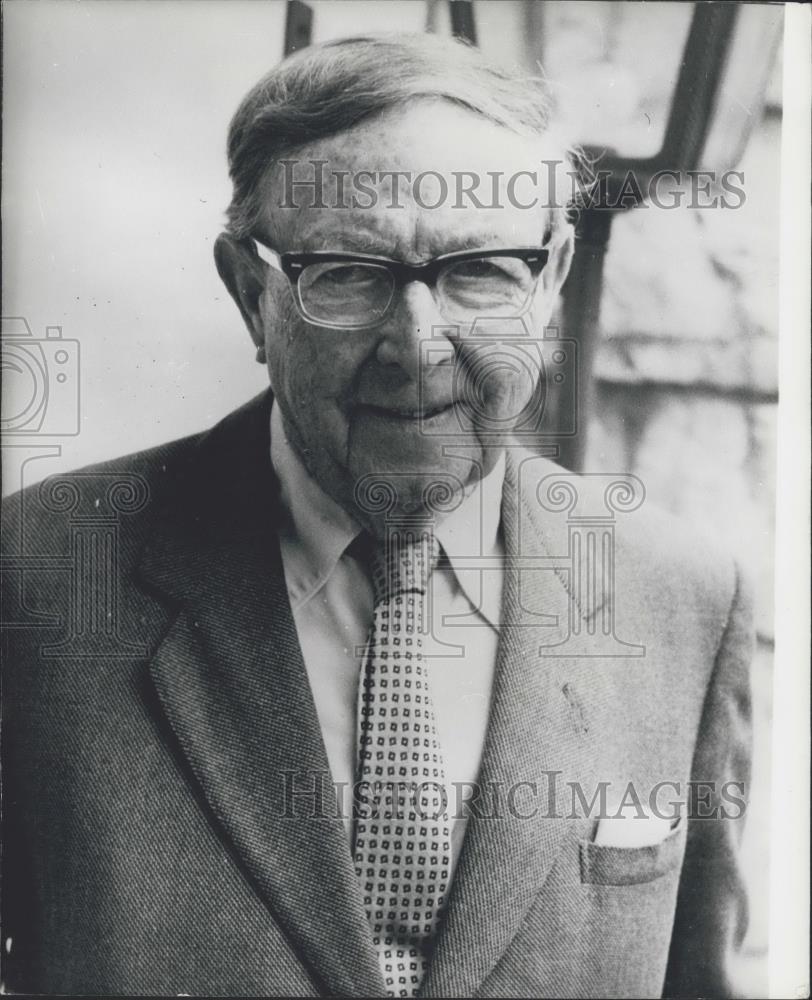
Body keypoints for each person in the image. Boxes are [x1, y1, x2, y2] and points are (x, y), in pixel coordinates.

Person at [1, 33, 752, 999]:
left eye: (481, 270)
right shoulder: (40, 574)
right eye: (348, 276)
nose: (419, 345)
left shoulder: (681, 598)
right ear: (250, 294)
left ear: (552, 280)